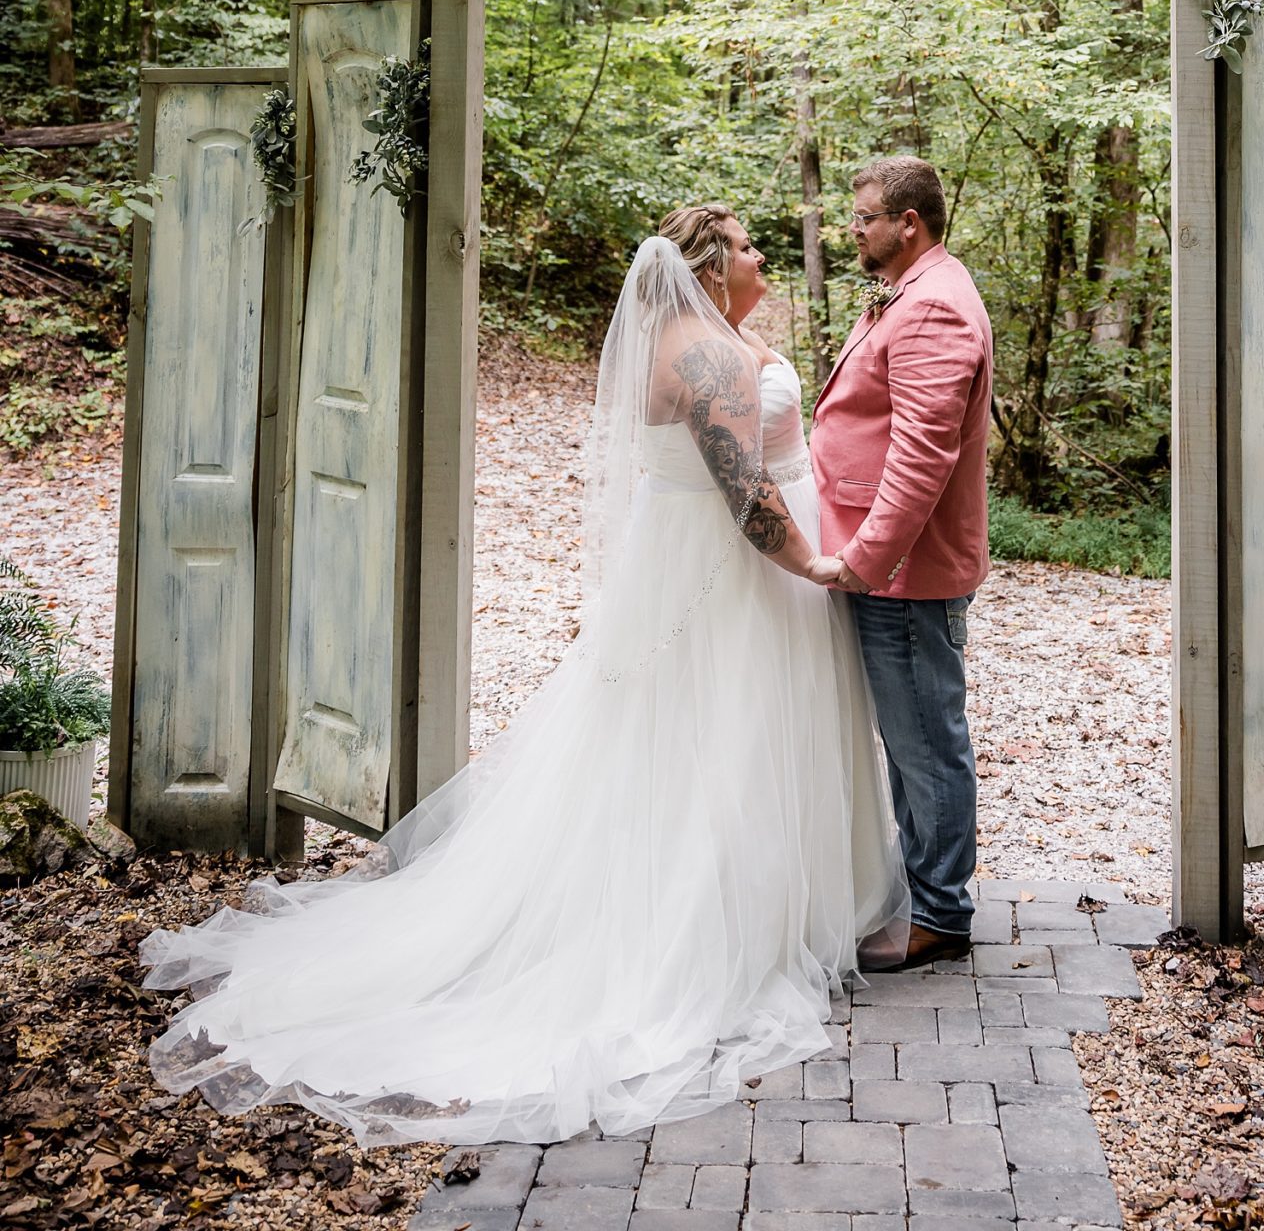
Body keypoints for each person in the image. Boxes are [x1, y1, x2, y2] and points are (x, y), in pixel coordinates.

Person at [140, 205, 907, 1147]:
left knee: (706, 745)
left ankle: (772, 904)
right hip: (734, 580)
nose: (762, 259)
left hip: (696, 565)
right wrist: (819, 566)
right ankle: (713, 927)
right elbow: (747, 498)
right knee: (727, 741)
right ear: (710, 269)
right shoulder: (705, 357)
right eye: (747, 246)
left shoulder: (703, 338)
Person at [809, 154, 994, 970]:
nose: (853, 231)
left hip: (902, 572)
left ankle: (941, 919)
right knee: (909, 737)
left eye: (863, 219)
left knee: (925, 742)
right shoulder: (915, 292)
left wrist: (864, 558)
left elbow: (922, 457)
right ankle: (924, 896)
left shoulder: (935, 309)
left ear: (907, 224)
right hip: (887, 566)